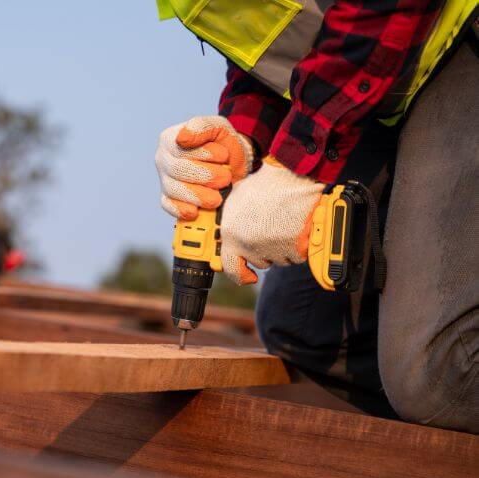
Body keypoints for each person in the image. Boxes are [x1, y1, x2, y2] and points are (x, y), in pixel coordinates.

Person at [154, 0, 477, 432]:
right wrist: (244, 136)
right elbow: (280, 33)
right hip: (392, 63)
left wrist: (296, 164)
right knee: (305, 333)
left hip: (448, 32)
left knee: (440, 376)